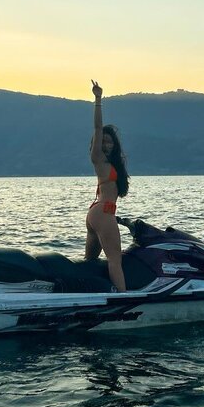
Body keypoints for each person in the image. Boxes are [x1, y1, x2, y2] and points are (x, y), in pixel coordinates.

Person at [84, 80, 129, 291]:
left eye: (109, 141)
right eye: (103, 141)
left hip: (98, 214)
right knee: (115, 260)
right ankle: (125, 298)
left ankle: (85, 293)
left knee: (90, 263)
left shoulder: (114, 164)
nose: (106, 144)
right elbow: (97, 127)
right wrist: (98, 99)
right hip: (102, 212)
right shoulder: (98, 159)